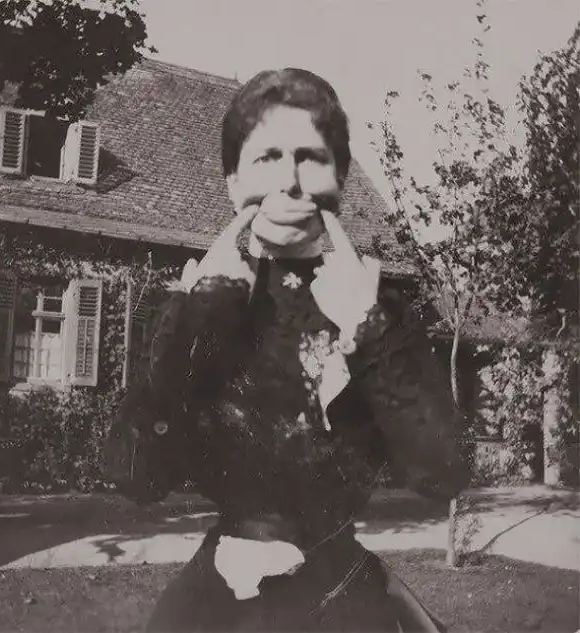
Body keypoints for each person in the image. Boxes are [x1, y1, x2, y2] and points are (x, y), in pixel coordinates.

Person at [107, 68, 468, 632]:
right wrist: (196, 321)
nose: (291, 181)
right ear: (232, 182)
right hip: (216, 604)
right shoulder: (197, 303)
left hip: (344, 601)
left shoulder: (380, 309)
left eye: (311, 157)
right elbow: (137, 479)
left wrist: (367, 328)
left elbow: (444, 473)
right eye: (267, 157)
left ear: (340, 179)